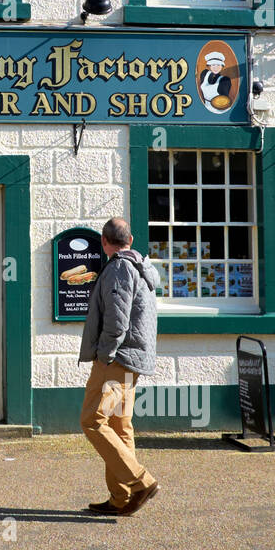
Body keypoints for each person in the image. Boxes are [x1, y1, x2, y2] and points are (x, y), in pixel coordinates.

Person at [79, 217, 161, 516]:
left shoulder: (119, 268)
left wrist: (104, 354)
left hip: (117, 359)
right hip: (134, 359)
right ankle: (120, 498)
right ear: (131, 238)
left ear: (104, 241)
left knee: (91, 420)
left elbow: (117, 320)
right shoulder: (141, 266)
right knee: (119, 425)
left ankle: (141, 481)